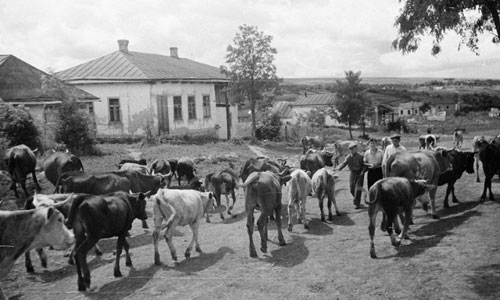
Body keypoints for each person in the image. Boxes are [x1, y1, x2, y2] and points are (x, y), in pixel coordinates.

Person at [336, 142, 365, 209]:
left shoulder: (360, 157)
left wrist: (362, 172)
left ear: (356, 149)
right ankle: (356, 199)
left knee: (358, 188)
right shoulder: (348, 157)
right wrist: (339, 168)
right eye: (351, 149)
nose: (352, 150)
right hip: (352, 173)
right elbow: (344, 163)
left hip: (360, 173)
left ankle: (357, 203)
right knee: (352, 188)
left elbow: (364, 165)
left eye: (353, 149)